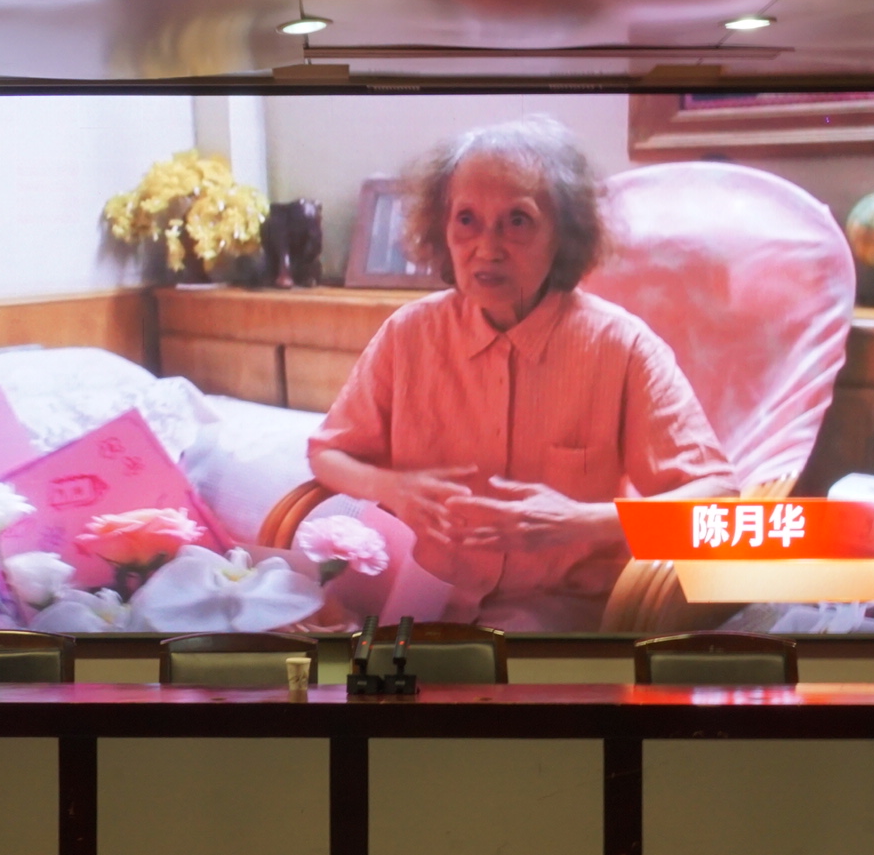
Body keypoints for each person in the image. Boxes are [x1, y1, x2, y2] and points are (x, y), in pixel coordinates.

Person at [307, 117, 738, 630]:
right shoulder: (408, 334)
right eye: (467, 220)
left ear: (564, 235)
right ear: (442, 230)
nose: (487, 248)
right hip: (418, 594)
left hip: (555, 609)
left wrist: (579, 522)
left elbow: (717, 501)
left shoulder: (620, 346)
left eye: (517, 221)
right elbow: (327, 453)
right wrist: (392, 488)